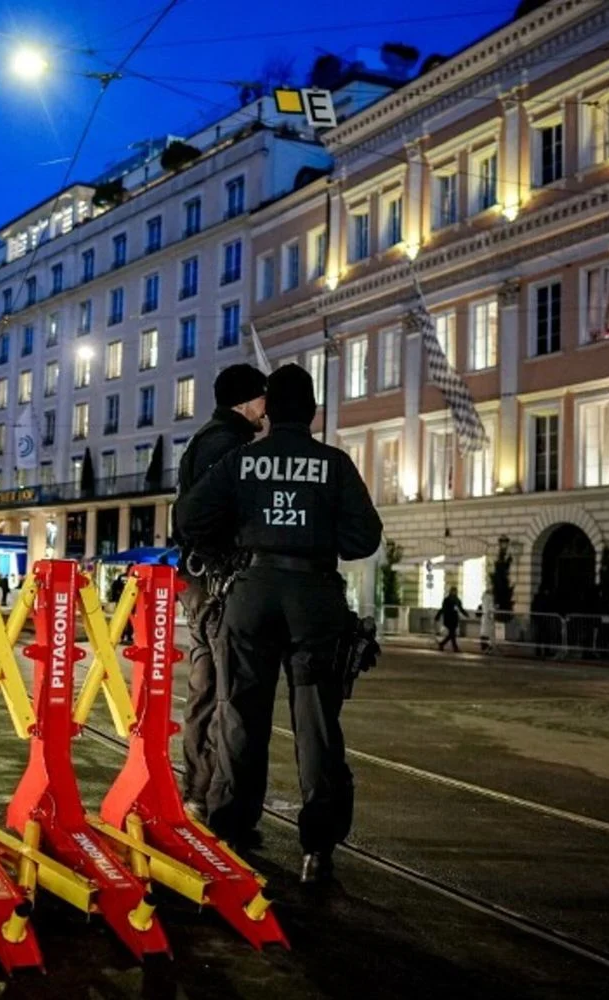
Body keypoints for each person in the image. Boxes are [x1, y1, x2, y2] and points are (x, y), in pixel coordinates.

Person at [175, 364, 382, 883]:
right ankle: (317, 846)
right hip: (314, 597)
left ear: (270, 410)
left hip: (252, 591)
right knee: (316, 722)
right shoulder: (334, 465)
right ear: (311, 412)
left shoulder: (244, 461)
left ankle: (232, 824)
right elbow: (364, 539)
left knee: (242, 711)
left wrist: (242, 531)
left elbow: (189, 517)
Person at [169, 363, 267, 822]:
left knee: (207, 682)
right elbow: (202, 513)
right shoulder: (226, 445)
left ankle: (197, 789)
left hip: (202, 577)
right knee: (219, 686)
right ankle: (204, 794)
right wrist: (227, 557)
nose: (266, 406)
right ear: (247, 402)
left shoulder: (211, 438)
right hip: (216, 579)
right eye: (261, 398)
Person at [435, 586, 465, 653]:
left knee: (452, 634)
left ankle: (442, 644)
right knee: (452, 634)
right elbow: (443, 608)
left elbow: (460, 608)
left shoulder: (457, 600)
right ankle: (455, 648)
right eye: (453, 591)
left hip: (454, 619)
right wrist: (438, 616)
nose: (454, 592)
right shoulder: (447, 600)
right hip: (448, 619)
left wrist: (465, 614)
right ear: (450, 592)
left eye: (455, 591)